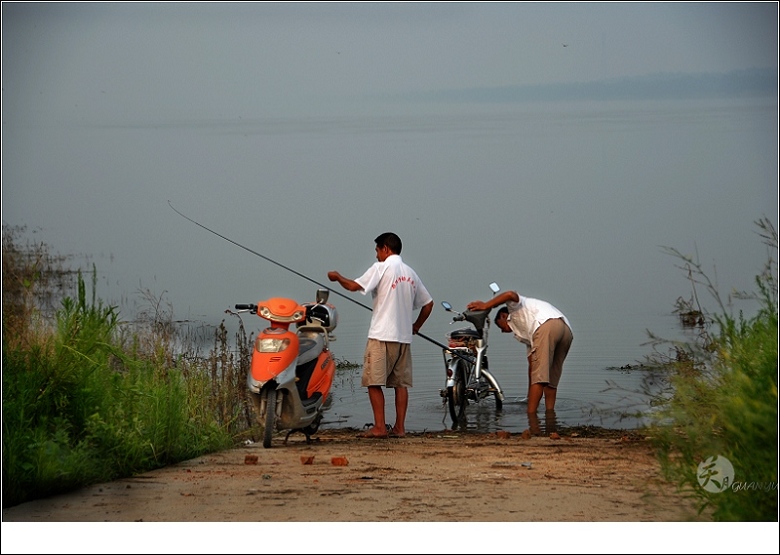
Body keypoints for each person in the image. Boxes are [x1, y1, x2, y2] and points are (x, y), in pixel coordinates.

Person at [328, 232, 434, 439]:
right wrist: (416, 326)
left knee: (373, 382)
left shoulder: (382, 267)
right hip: (404, 338)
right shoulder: (411, 273)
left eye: (377, 250)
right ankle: (399, 428)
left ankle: (379, 428)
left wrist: (337, 277)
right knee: (400, 384)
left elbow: (353, 286)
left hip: (381, 335)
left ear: (385, 248)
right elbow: (428, 304)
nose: (376, 255)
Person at [467, 291, 573, 416]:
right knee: (550, 380)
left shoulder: (514, 308)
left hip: (545, 325)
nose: (502, 331)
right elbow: (532, 367)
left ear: (503, 316)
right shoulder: (527, 332)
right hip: (566, 330)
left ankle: (531, 418)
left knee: (539, 379)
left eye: (500, 326)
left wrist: (487, 305)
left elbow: (510, 294)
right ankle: (550, 414)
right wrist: (529, 395)